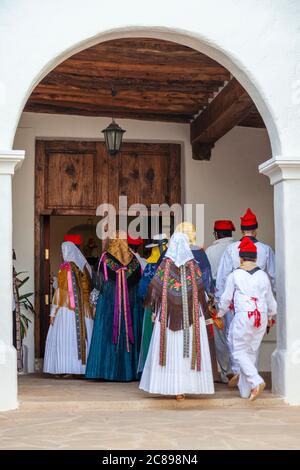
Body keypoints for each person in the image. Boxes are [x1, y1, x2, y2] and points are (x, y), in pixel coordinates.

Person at [139, 232, 214, 399]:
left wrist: (155, 310)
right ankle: (185, 386)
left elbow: (154, 291)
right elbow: (202, 293)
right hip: (192, 318)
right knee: (185, 351)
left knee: (170, 349)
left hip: (167, 317)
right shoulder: (194, 267)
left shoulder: (164, 266)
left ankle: (169, 385)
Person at [215, 208, 276, 385]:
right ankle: (250, 374)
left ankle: (239, 372)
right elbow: (274, 277)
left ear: (241, 230)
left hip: (237, 302)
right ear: (256, 229)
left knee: (235, 339)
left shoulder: (231, 249)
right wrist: (271, 311)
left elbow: (222, 278)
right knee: (253, 343)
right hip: (260, 303)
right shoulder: (266, 250)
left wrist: (220, 305)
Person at [86, 231, 143, 381]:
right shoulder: (134, 262)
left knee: (107, 333)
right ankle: (128, 372)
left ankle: (105, 371)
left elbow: (98, 284)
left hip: (108, 307)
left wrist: (94, 302)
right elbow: (138, 289)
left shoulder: (105, 259)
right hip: (130, 309)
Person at [43, 238, 94, 375]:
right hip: (82, 309)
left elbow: (61, 291)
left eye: (62, 251)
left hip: (67, 310)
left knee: (65, 337)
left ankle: (66, 368)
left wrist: (53, 312)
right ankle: (79, 368)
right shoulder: (81, 268)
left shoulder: (66, 268)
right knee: (78, 338)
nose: (61, 254)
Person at [206, 220, 235, 383]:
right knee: (236, 333)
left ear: (216, 234)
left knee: (220, 334)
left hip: (216, 296)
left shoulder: (210, 250)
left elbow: (207, 275)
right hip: (236, 298)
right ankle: (235, 369)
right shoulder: (237, 247)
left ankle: (225, 372)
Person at [137, 233, 168, 373]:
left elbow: (143, 289)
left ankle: (151, 367)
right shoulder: (171, 262)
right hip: (169, 303)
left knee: (151, 333)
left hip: (152, 304)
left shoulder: (150, 265)